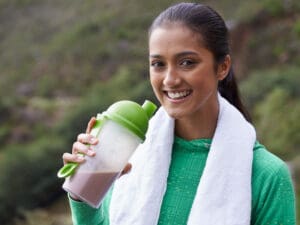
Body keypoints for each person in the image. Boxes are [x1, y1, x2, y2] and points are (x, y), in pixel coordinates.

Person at [62, 2, 296, 225]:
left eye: (187, 62)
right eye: (158, 64)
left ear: (223, 67)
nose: (170, 80)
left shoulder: (266, 175)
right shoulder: (133, 154)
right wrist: (84, 192)